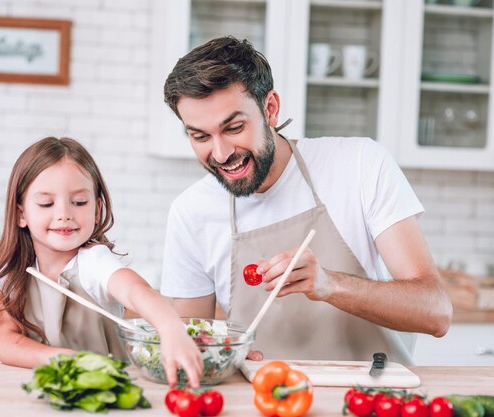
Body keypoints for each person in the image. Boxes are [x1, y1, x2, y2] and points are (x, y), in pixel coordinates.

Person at [160, 36, 452, 364]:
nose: (221, 153)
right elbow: (191, 345)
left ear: (270, 109)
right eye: (200, 136)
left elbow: (435, 312)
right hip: (264, 402)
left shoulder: (360, 164)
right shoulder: (191, 212)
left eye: (235, 127)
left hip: (372, 397)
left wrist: (329, 284)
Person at [0, 137, 202, 387]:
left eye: (79, 202)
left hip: (111, 393)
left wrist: (171, 327)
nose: (64, 214)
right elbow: (6, 342)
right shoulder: (12, 274)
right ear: (21, 213)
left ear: (97, 210)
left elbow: (136, 291)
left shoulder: (94, 263)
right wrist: (69, 360)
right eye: (46, 203)